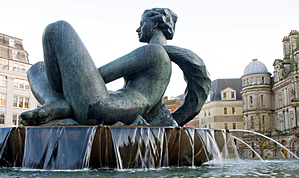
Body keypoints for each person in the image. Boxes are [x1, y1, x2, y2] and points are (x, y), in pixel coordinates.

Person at [20, 8, 210, 126]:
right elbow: (154, 109)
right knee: (37, 67)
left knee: (57, 28)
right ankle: (58, 103)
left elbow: (100, 76)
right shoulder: (162, 64)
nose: (138, 29)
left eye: (142, 24)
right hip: (110, 105)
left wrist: (67, 76)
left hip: (104, 107)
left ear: (154, 24)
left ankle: (57, 100)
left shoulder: (153, 53)